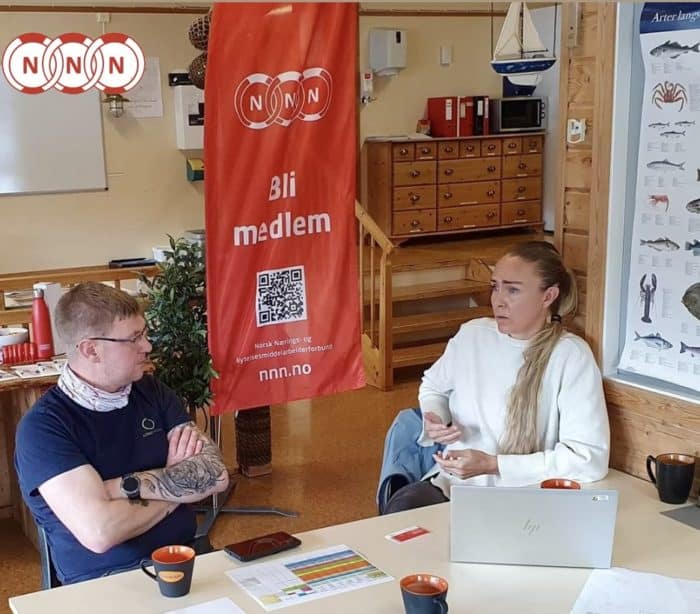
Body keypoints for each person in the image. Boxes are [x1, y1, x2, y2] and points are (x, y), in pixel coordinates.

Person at [15, 282, 229, 584]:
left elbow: (215, 475)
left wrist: (121, 487)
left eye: (144, 333)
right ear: (91, 349)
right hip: (106, 580)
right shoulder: (43, 428)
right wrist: (175, 487)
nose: (147, 346)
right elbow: (101, 532)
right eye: (134, 338)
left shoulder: (152, 391)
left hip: (185, 560)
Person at [382, 241, 610, 514]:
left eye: (512, 290)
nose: (498, 300)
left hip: (526, 497)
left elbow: (588, 460)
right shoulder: (472, 335)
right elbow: (433, 387)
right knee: (403, 508)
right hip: (455, 486)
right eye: (495, 287)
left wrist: (493, 465)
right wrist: (436, 416)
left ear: (548, 296)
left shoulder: (571, 355)